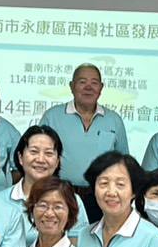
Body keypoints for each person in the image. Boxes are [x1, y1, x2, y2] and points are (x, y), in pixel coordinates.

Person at [38, 64, 130, 200]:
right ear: (71, 86)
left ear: (101, 88)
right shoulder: (52, 117)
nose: (88, 87)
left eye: (94, 83)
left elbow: (124, 163)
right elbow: (40, 158)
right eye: (82, 82)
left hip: (102, 196)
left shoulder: (114, 120)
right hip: (61, 193)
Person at [0, 125, 89, 244]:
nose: (41, 159)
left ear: (57, 161)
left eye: (48, 153)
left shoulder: (72, 201)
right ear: (20, 157)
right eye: (34, 152)